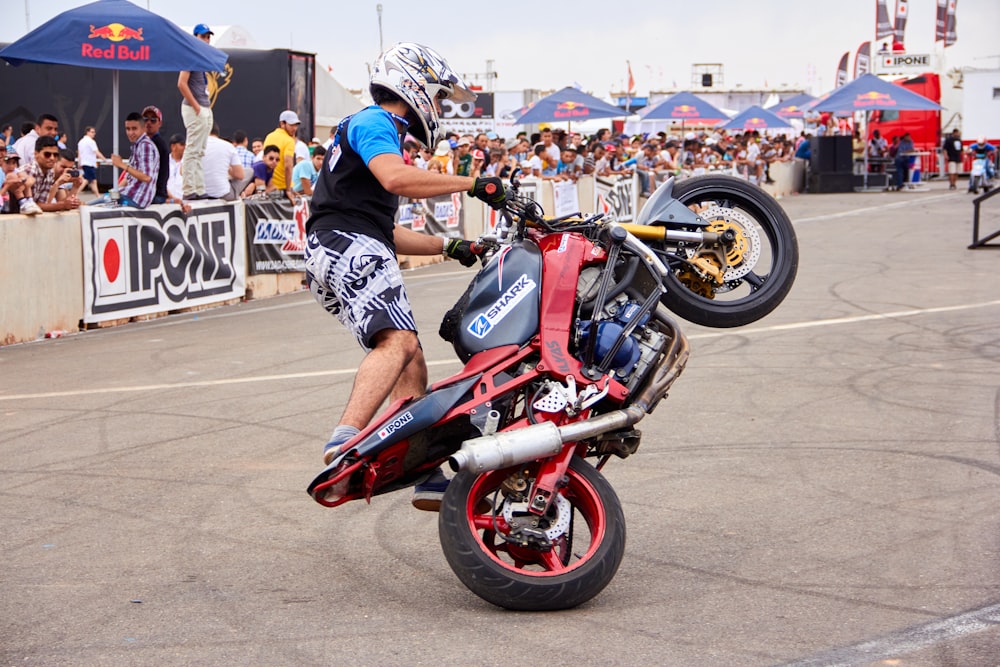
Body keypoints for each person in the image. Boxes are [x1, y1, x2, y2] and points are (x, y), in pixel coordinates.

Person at [303, 42, 507, 511]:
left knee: (409, 352)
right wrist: (474, 184)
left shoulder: (371, 132)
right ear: (412, 84)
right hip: (345, 245)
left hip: (339, 245)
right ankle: (345, 439)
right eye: (436, 97)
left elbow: (382, 227)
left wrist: (451, 245)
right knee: (396, 343)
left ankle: (424, 469)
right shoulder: (377, 121)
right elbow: (397, 179)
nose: (436, 108)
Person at [178, 23, 215, 200]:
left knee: (200, 150)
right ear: (195, 37)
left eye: (208, 36)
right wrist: (196, 106)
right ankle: (189, 189)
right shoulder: (190, 56)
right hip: (196, 107)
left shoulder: (200, 58)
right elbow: (181, 83)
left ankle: (199, 189)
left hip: (203, 106)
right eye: (203, 36)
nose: (206, 40)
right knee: (193, 149)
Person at [93, 112, 159, 208]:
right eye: (128, 129)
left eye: (134, 129)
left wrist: (121, 165)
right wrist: (115, 190)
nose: (130, 133)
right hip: (129, 195)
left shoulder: (145, 145)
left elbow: (147, 177)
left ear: (143, 128)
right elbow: (128, 178)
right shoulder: (137, 146)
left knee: (91, 206)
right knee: (97, 201)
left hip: (135, 198)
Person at [27, 136, 80, 212]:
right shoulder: (32, 171)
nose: (52, 158)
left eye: (55, 155)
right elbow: (34, 205)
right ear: (36, 154)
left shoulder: (49, 173)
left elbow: (62, 201)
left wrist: (75, 186)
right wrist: (57, 184)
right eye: (47, 154)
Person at [262, 110, 301, 202]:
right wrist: (288, 189)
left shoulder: (269, 136)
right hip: (281, 189)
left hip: (268, 188)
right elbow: (288, 166)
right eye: (291, 125)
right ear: (282, 124)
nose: (294, 128)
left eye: (296, 125)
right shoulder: (289, 140)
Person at [201, 124, 244, 200]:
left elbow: (182, 171)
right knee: (249, 171)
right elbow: (240, 175)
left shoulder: (193, 146)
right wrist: (227, 169)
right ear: (217, 133)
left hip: (199, 194)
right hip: (223, 194)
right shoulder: (228, 146)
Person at [141, 106, 173, 204]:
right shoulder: (144, 142)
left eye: (153, 120)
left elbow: (146, 175)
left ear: (160, 123)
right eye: (145, 119)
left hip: (152, 196)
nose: (149, 122)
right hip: (149, 194)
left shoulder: (157, 144)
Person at [0, 146, 42, 215]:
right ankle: (23, 202)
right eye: (8, 162)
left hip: (13, 203)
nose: (11, 166)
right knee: (12, 176)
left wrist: (23, 184)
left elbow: (31, 180)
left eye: (13, 163)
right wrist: (8, 184)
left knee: (22, 177)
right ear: (1, 162)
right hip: (3, 205)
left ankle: (29, 202)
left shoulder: (16, 171)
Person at [75, 126, 107, 197]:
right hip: (89, 163)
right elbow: (96, 152)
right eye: (92, 132)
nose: (94, 134)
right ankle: (75, 194)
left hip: (84, 163)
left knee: (92, 180)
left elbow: (79, 154)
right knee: (86, 180)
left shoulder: (81, 142)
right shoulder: (91, 141)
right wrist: (105, 159)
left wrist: (79, 163)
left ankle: (97, 196)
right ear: (87, 132)